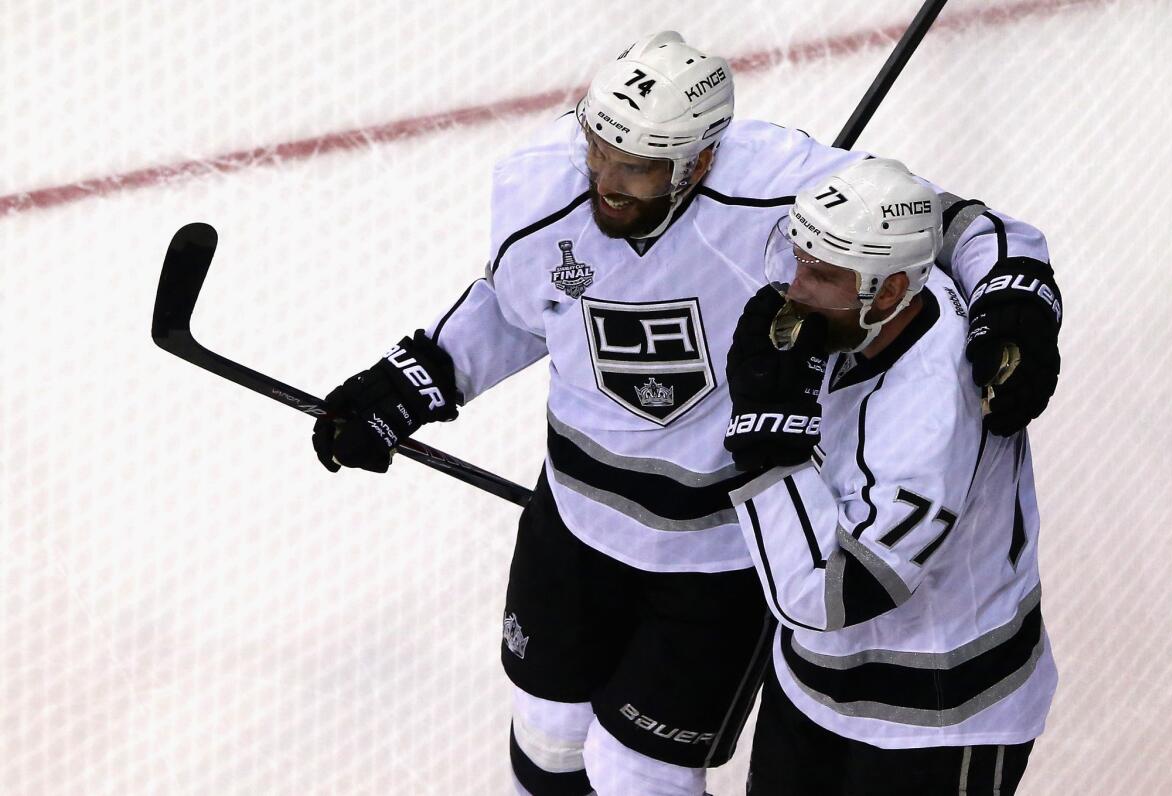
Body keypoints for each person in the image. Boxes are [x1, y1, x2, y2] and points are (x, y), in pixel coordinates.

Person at [309, 32, 1063, 796]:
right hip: (574, 521)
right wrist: (417, 380)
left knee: (636, 773)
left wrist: (1015, 296)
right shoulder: (540, 187)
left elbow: (952, 224)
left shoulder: (784, 189)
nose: (605, 179)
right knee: (546, 737)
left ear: (701, 158)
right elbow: (522, 305)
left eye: (637, 166)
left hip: (722, 556)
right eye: (599, 148)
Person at [723, 158, 1058, 795]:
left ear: (889, 290)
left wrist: (769, 448)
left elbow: (826, 594)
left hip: (939, 717)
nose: (794, 287)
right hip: (816, 690)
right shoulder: (877, 301)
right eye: (797, 259)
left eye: (819, 274)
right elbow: (949, 215)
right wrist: (1019, 283)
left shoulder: (928, 421)